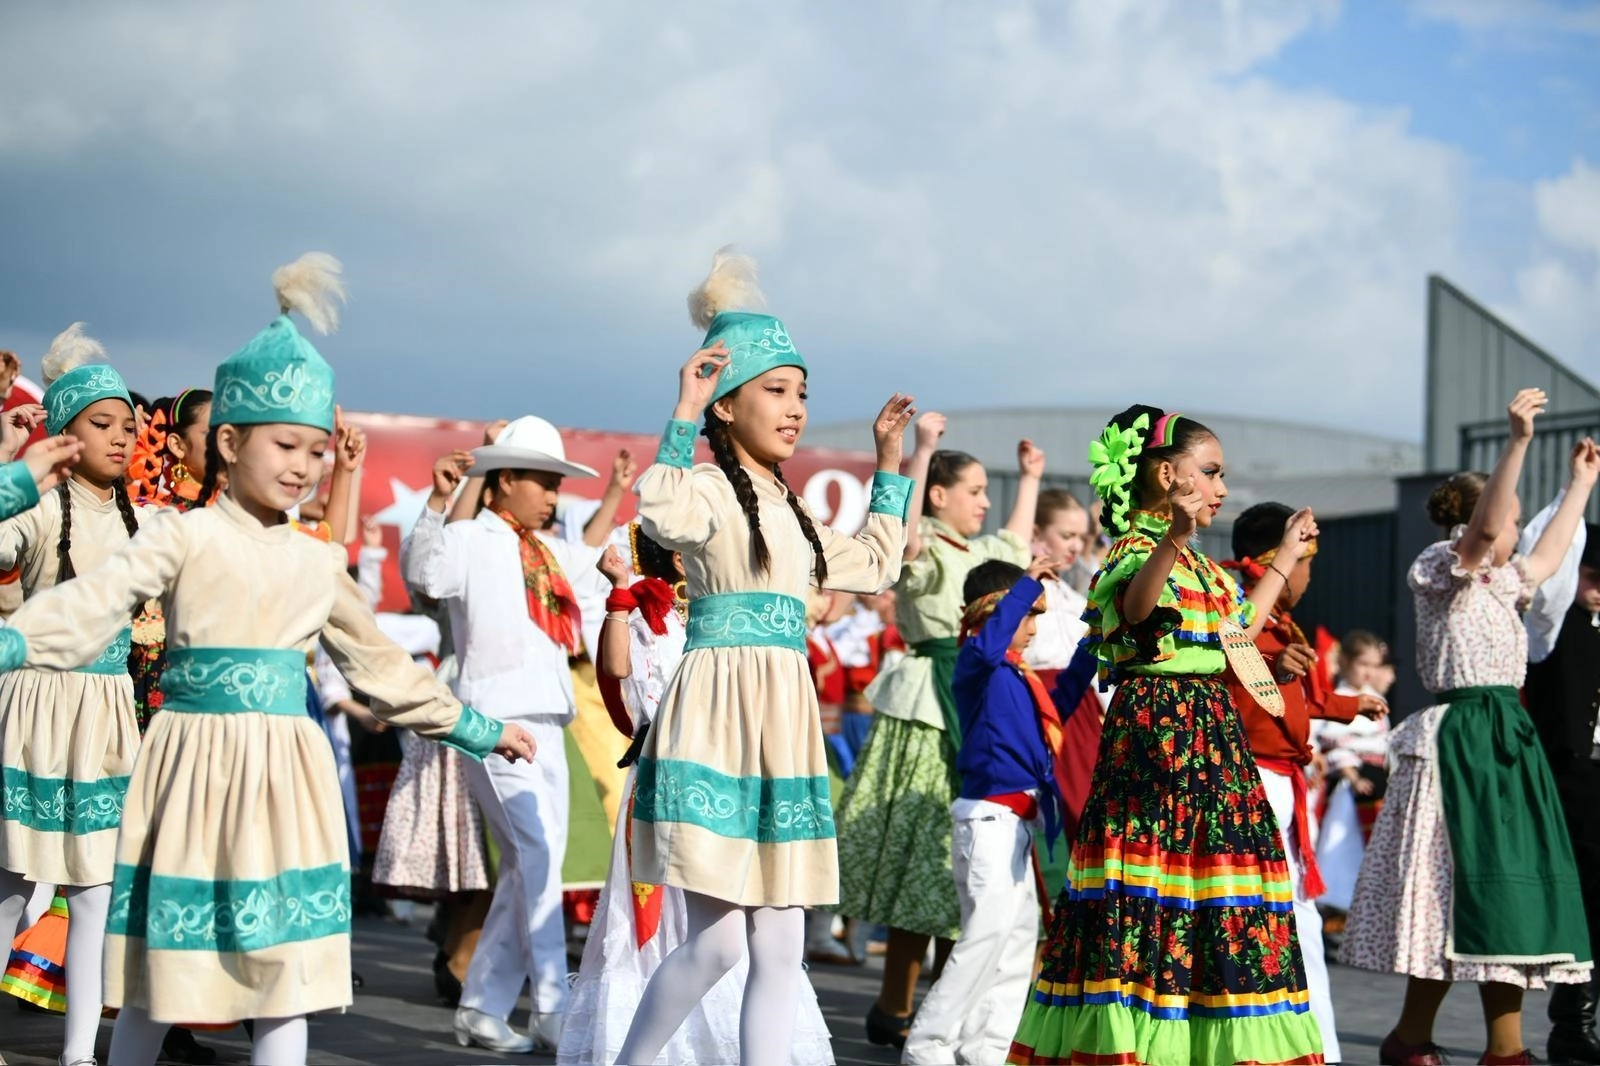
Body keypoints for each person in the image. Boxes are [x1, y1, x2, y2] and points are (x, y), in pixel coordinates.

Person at [0, 252, 536, 1066]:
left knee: (286, 982)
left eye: (317, 452)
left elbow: (381, 666)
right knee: (159, 978)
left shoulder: (317, 559)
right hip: (187, 765)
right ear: (226, 441)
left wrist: (474, 727)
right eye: (286, 444)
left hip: (288, 776)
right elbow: (93, 600)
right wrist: (13, 640)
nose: (303, 465)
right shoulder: (181, 533)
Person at [615, 248, 914, 1066]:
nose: (795, 409)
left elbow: (879, 563)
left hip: (782, 724)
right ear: (726, 405)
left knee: (781, 951)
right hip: (717, 717)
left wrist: (890, 464)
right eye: (775, 391)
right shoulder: (708, 490)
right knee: (715, 948)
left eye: (802, 393)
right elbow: (663, 510)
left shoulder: (793, 508)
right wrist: (683, 404)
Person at [1010, 405, 1326, 1066]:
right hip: (1161, 745)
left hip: (1213, 749)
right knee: (1152, 898)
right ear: (1165, 474)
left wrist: (1286, 555)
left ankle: (1196, 1049)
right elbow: (1137, 608)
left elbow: (1238, 629)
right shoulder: (1137, 550)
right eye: (1209, 473)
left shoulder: (1207, 570)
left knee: (1211, 904)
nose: (1220, 489)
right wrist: (1173, 538)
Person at [1341, 389, 1597, 1066]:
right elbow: (1484, 534)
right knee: (1451, 890)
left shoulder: (1504, 583)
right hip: (1462, 740)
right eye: (1512, 516)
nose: (1515, 530)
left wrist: (1580, 485)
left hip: (1505, 737)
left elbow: (1544, 560)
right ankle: (1416, 1038)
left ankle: (1499, 1045)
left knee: (1505, 889)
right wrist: (1517, 443)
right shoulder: (1440, 569)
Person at [562, 525, 835, 1066]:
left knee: (773, 944)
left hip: (756, 774)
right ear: (684, 560)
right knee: (707, 941)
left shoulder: (733, 613)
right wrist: (619, 594)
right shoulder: (649, 613)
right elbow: (614, 672)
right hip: (678, 775)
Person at [402, 414, 607, 1054]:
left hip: (548, 719)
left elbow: (610, 561)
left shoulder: (549, 551)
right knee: (538, 857)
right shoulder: (468, 536)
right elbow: (426, 576)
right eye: (545, 482)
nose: (554, 495)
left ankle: (482, 1009)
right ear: (506, 478)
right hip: (491, 722)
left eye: (557, 484)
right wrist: (440, 501)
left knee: (527, 867)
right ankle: (552, 1003)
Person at [836, 410, 1042, 1049]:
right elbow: (899, 539)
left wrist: (1030, 477)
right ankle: (897, 1003)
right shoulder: (924, 546)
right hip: (929, 708)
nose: (986, 503)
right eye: (975, 491)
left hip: (980, 705)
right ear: (938, 497)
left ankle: (959, 1015)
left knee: (965, 878)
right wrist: (921, 448)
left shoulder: (982, 554)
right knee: (920, 858)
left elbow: (1015, 543)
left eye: (987, 491)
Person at [0, 324, 148, 1066]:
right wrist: (10, 466)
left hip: (106, 712)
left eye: (129, 425)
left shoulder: (145, 522)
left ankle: (80, 1054)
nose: (122, 438)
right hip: (36, 705)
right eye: (103, 424)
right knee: (12, 882)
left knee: (94, 894)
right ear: (63, 434)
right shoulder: (35, 509)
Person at [1222, 502, 1390, 1063]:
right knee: (1268, 925)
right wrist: (1275, 670)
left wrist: (1350, 704)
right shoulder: (1238, 619)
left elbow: (1308, 699)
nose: (1310, 574)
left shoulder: (1275, 626)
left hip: (1282, 788)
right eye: (1304, 560)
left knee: (1300, 924)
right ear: (1277, 559)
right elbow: (1236, 685)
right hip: (1254, 789)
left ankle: (1316, 1052)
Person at [902, 557, 1064, 1065]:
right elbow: (991, 641)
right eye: (1026, 612)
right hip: (987, 820)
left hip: (1016, 825)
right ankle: (927, 1046)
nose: (1034, 626)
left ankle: (986, 1051)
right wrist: (1023, 585)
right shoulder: (976, 662)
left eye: (1037, 613)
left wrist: (1094, 643)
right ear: (993, 612)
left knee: (1016, 945)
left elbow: (1073, 695)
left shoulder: (1021, 678)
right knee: (985, 937)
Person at [1525, 523, 1600, 1063]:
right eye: (1593, 575)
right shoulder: (1554, 626)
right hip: (1572, 777)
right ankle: (1573, 1024)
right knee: (1584, 905)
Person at [1313, 630, 1393, 924]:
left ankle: (1365, 914)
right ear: (1344, 662)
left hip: (1377, 782)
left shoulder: (1375, 697)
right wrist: (1352, 775)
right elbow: (1334, 744)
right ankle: (1336, 909)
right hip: (1351, 785)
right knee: (1342, 847)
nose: (1369, 672)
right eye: (1363, 664)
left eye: (1374, 665)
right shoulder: (1339, 698)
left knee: (1372, 852)